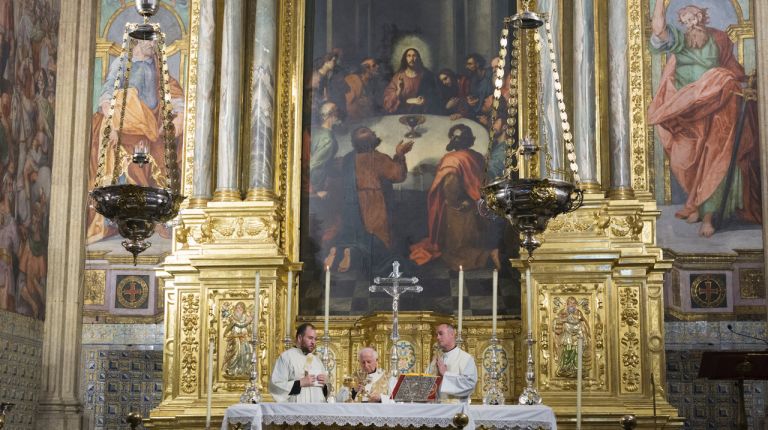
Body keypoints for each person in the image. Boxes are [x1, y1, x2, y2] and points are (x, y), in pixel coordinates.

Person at [647, 2, 761, 237]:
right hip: (687, 111)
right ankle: (697, 204)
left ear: (702, 17)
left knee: (715, 158)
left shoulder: (719, 39)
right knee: (685, 159)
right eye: (686, 21)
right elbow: (658, 29)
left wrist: (738, 83)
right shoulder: (679, 40)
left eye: (694, 18)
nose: (691, 23)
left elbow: (732, 68)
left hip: (719, 108)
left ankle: (708, 217)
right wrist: (659, 3)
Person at [87, 39, 185, 243]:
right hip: (125, 124)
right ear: (139, 42)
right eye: (150, 42)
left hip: (151, 126)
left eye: (156, 43)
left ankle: (157, 215)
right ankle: (120, 216)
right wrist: (113, 125)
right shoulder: (124, 63)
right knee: (118, 154)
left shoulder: (158, 67)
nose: (154, 45)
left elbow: (175, 97)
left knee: (161, 160)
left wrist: (167, 126)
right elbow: (108, 95)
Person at [409, 124, 499, 270]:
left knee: (455, 253)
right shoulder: (476, 156)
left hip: (461, 212)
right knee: (472, 242)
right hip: (479, 208)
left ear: (452, 140)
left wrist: (455, 203)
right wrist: (431, 169)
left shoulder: (451, 159)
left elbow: (451, 185)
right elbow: (469, 177)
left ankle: (489, 255)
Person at [325, 127, 413, 273]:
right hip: (374, 203)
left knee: (355, 232)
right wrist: (400, 154)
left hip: (351, 203)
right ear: (373, 141)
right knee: (379, 235)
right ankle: (375, 264)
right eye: (370, 132)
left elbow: (333, 173)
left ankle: (343, 251)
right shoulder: (379, 158)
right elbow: (398, 176)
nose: (373, 132)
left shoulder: (347, 158)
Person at [269, 323, 329, 403]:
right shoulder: (287, 357)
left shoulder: (317, 361)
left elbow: (325, 392)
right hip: (295, 410)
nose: (313, 342)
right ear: (300, 338)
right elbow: (276, 386)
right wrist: (300, 383)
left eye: (315, 339)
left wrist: (325, 384)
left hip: (317, 410)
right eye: (310, 338)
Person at [427, 323, 477, 403]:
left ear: (452, 334)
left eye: (441, 333)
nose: (437, 337)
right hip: (436, 410)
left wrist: (445, 374)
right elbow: (427, 385)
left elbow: (470, 385)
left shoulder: (466, 358)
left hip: (457, 411)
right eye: (437, 334)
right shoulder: (435, 360)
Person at [382, 48, 438, 114]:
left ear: (418, 58)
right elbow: (388, 102)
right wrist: (399, 91)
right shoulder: (398, 76)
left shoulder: (426, 75)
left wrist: (424, 99)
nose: (411, 58)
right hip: (402, 114)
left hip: (421, 113)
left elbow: (434, 95)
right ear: (405, 59)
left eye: (414, 55)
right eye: (409, 56)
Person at [553, 297, 591, 378]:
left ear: (576, 305)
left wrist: (585, 330)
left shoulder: (578, 312)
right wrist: (565, 319)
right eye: (570, 303)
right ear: (567, 304)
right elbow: (558, 321)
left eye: (574, 303)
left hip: (577, 336)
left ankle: (576, 368)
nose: (572, 305)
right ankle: (566, 367)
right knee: (567, 350)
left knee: (577, 351)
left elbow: (583, 321)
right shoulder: (563, 312)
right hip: (567, 336)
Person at [221, 302, 254, 377]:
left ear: (243, 309)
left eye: (240, 308)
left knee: (245, 354)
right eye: (237, 308)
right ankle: (231, 369)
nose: (238, 309)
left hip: (244, 339)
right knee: (236, 354)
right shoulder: (232, 317)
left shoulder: (245, 316)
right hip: (235, 339)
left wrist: (249, 333)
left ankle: (243, 370)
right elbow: (237, 325)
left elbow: (248, 328)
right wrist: (226, 333)